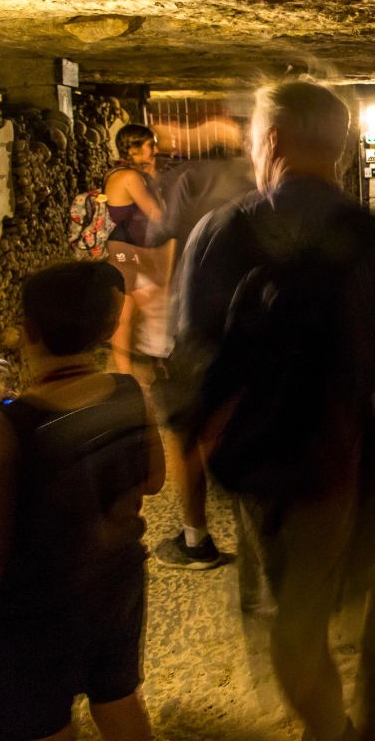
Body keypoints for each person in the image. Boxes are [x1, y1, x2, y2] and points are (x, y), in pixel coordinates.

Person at [171, 79, 375, 741]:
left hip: (274, 467)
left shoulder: (219, 234)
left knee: (294, 622)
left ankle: (329, 731)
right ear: (344, 146)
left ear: (269, 141)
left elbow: (192, 370)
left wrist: (196, 482)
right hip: (374, 455)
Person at [0, 261, 166, 741]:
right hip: (117, 584)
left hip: (36, 609)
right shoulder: (131, 392)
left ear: (28, 331)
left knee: (44, 722)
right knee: (118, 699)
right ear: (107, 327)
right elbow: (153, 480)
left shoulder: (16, 427)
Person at [150, 151, 256, 570]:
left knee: (183, 436)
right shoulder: (258, 199)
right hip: (243, 338)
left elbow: (164, 250)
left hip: (192, 338)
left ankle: (196, 541)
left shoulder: (184, 187)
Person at [103, 124, 174, 377]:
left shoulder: (130, 174)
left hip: (127, 249)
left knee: (126, 313)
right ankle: (156, 361)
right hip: (127, 251)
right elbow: (156, 213)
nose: (155, 149)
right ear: (132, 148)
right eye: (149, 145)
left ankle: (127, 373)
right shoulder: (129, 177)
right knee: (154, 304)